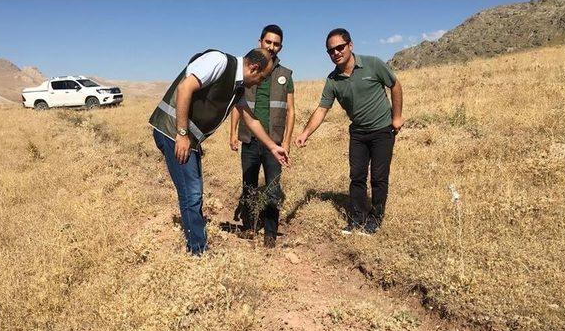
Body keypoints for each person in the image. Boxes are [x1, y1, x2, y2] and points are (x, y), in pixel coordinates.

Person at [149, 48, 289, 255]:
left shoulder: (237, 87)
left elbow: (249, 118)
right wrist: (181, 133)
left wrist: (272, 146)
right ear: (254, 68)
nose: (261, 82)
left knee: (194, 191)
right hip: (172, 133)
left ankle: (196, 243)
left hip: (187, 139)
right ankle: (197, 251)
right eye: (263, 77)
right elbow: (184, 88)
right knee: (192, 192)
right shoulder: (219, 62)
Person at [295, 28, 404, 234]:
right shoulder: (333, 80)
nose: (336, 53)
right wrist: (305, 133)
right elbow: (322, 109)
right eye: (331, 51)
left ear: (350, 46)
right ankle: (358, 218)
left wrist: (396, 117)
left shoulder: (372, 64)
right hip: (358, 134)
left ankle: (376, 219)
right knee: (357, 176)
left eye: (340, 47)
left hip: (382, 130)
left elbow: (395, 85)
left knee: (379, 177)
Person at [229, 24, 295, 248]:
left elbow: (291, 111)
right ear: (260, 42)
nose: (272, 46)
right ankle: (248, 228)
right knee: (248, 185)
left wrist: (285, 141)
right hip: (249, 139)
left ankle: (269, 234)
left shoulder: (285, 75)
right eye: (268, 42)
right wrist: (233, 134)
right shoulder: (249, 69)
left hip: (273, 142)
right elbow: (238, 106)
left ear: (281, 47)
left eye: (276, 44)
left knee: (273, 187)